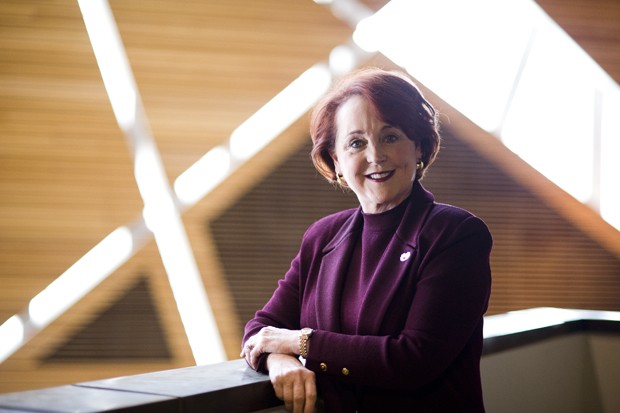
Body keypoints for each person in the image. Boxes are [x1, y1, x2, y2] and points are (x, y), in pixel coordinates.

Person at [240, 68, 492, 412]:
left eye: (390, 137)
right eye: (356, 143)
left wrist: (300, 342)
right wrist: (280, 360)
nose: (375, 155)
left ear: (418, 146)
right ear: (336, 161)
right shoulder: (322, 236)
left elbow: (414, 359)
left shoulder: (456, 234)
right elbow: (262, 329)